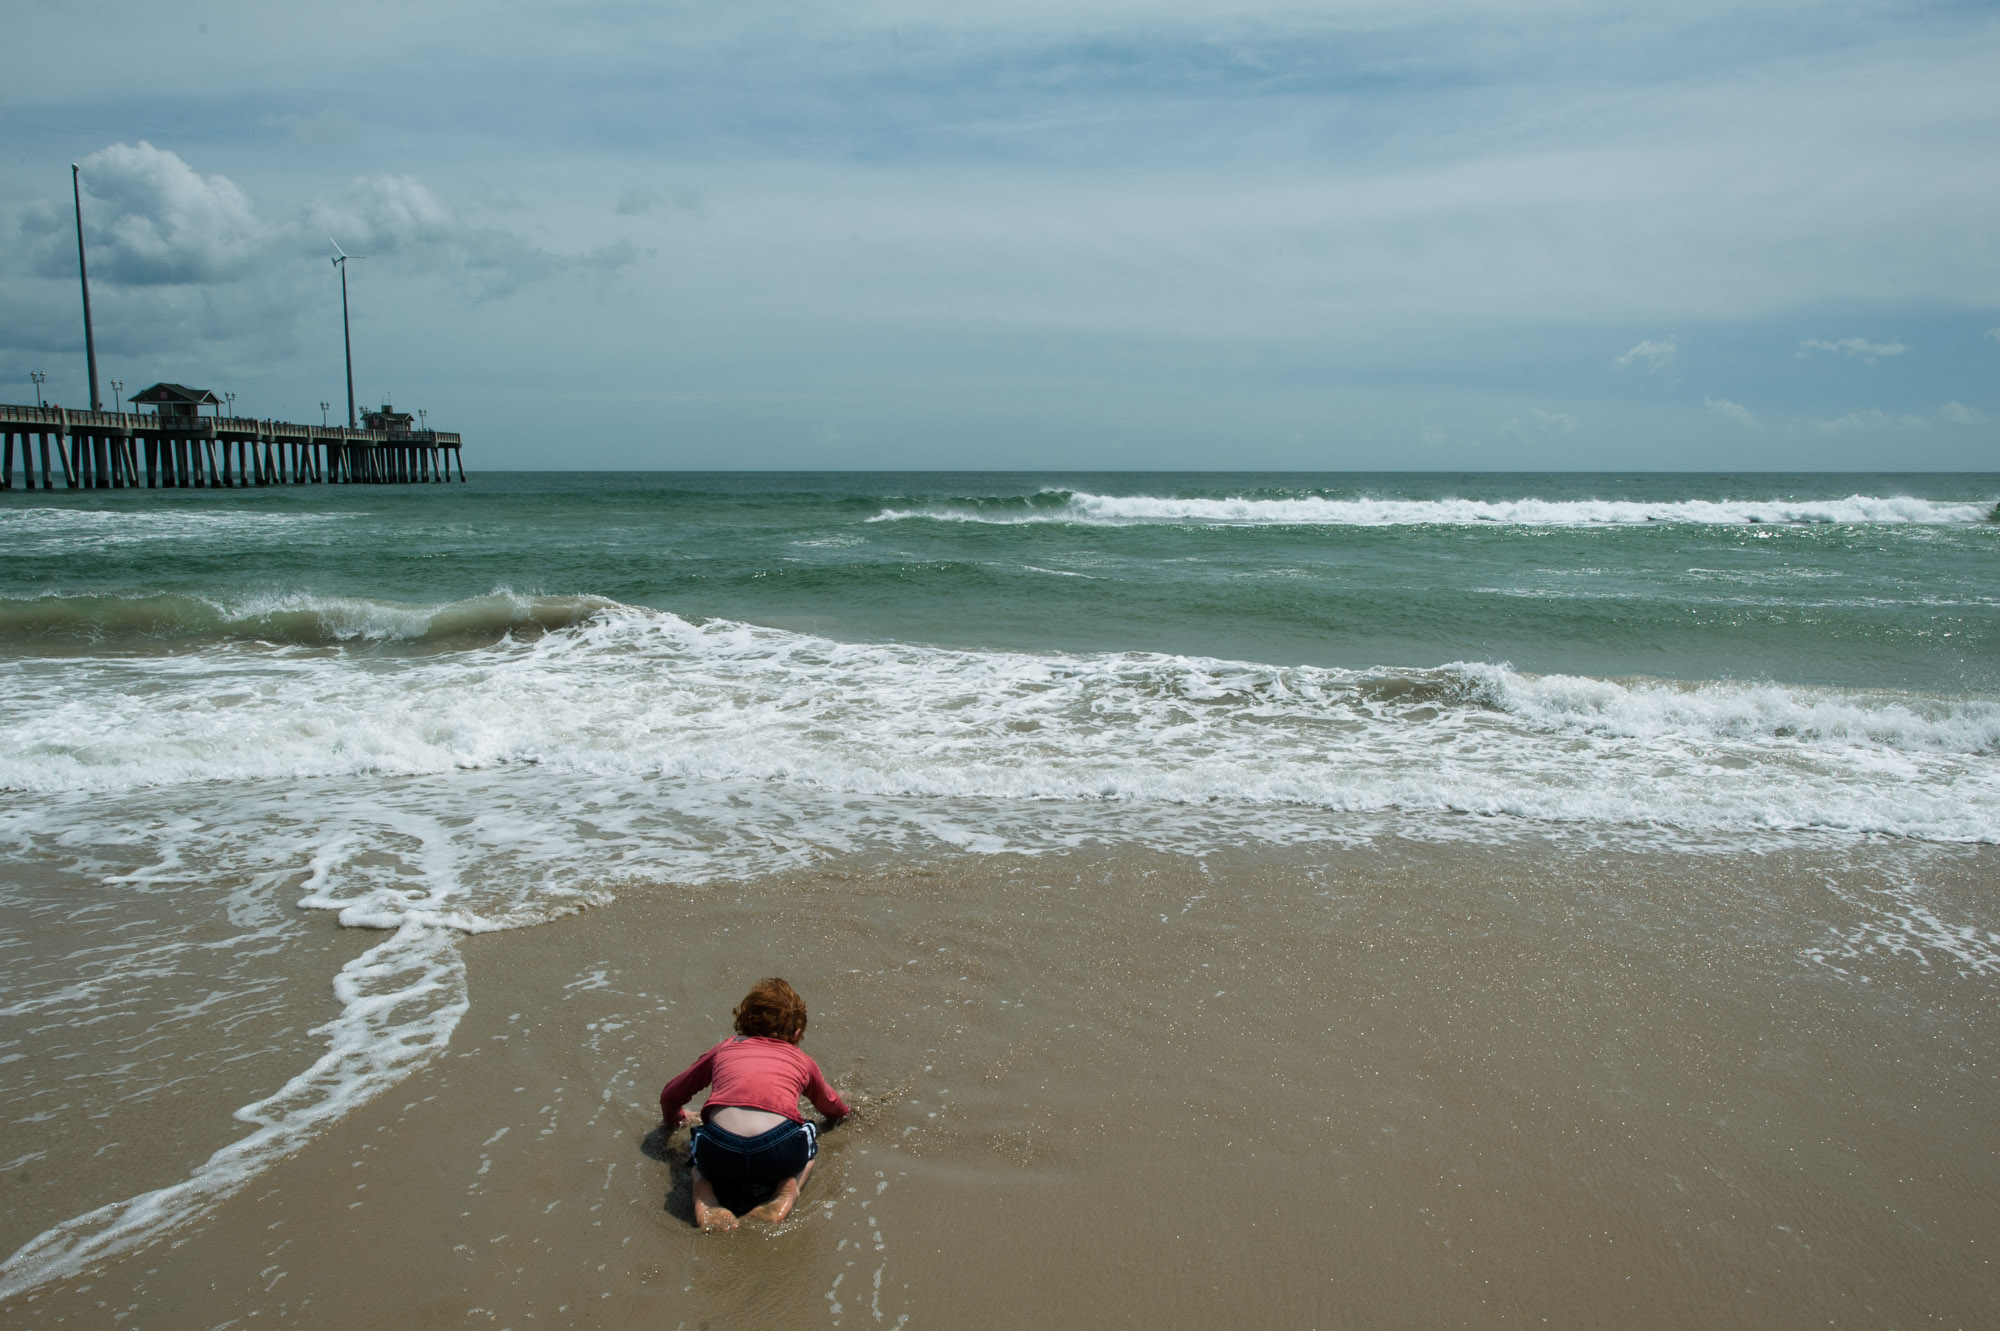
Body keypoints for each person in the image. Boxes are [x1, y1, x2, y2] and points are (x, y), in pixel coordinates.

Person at [661, 977, 850, 1231]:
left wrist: (676, 1120)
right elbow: (832, 1108)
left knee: (695, 1147)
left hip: (720, 1151)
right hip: (777, 1151)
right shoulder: (802, 1060)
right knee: (809, 1136)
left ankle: (704, 1192)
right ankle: (787, 1189)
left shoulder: (725, 1048)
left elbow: (671, 1095)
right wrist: (848, 1112)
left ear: (744, 1022)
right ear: (796, 1033)